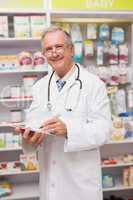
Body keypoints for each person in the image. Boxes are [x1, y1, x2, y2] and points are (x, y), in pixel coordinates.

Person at [16, 25, 111, 200]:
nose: (54, 52)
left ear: (71, 49)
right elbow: (33, 124)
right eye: (48, 49)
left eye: (59, 47)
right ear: (44, 54)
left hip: (80, 185)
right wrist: (29, 137)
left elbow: (103, 130)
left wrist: (69, 130)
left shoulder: (93, 84)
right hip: (49, 180)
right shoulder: (40, 87)